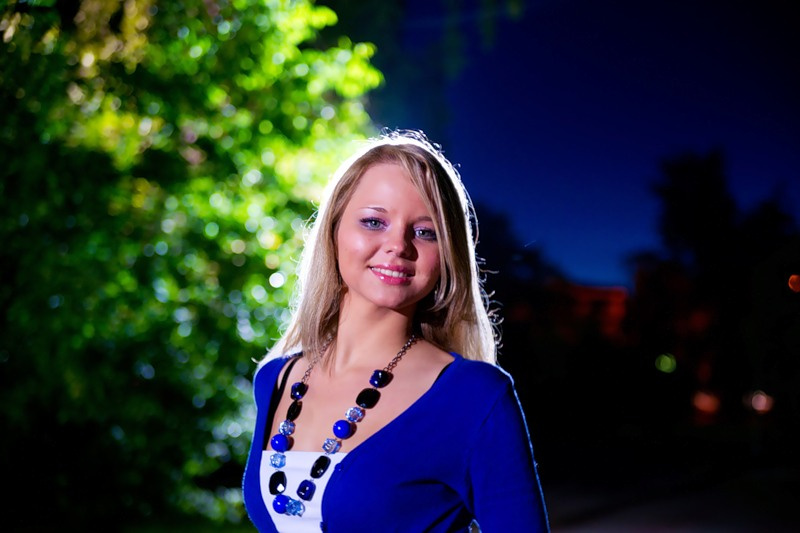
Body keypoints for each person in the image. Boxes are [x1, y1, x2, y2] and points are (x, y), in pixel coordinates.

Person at [243, 131, 549, 532]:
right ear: (334, 230)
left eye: (425, 232)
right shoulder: (276, 380)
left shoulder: (474, 395)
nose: (398, 245)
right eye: (374, 222)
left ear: (447, 253)